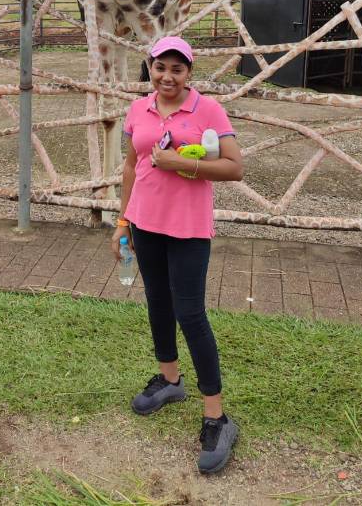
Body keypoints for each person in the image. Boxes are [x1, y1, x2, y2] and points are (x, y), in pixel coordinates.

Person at [112, 35, 244, 475]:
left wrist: (181, 164)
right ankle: (170, 381)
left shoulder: (208, 111)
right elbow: (132, 166)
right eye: (160, 68)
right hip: (144, 222)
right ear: (150, 68)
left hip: (188, 228)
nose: (167, 77)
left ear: (190, 73)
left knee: (190, 314)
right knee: (158, 304)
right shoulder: (138, 109)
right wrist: (123, 221)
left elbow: (233, 167)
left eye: (177, 69)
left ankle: (216, 416)